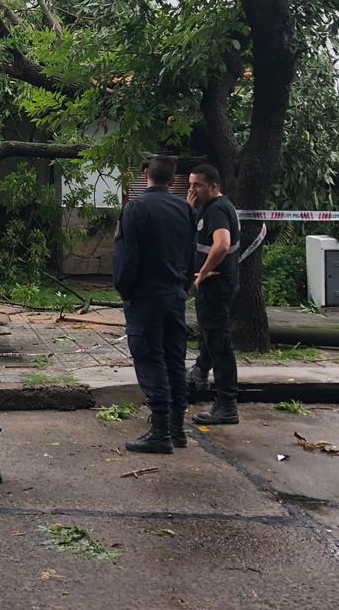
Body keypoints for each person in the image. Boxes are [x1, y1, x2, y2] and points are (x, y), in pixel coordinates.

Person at [113, 155, 195, 453]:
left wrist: (125, 290)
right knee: (175, 359)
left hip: (146, 297)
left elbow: (127, 256)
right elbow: (191, 255)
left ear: (145, 174)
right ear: (173, 181)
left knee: (150, 357)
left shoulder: (135, 208)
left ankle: (160, 431)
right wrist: (183, 287)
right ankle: (177, 429)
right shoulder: (185, 209)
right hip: (175, 296)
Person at [187, 163, 241, 425]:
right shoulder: (208, 208)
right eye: (190, 184)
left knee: (220, 344)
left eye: (197, 185)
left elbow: (222, 245)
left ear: (214, 186)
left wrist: (203, 272)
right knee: (211, 334)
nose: (193, 189)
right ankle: (198, 372)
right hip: (216, 286)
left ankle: (226, 405)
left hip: (216, 286)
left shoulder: (218, 209)